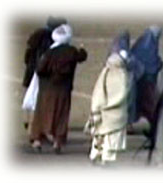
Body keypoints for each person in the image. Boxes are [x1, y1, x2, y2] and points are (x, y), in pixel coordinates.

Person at [29, 24, 88, 153]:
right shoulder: (71, 51)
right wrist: (82, 49)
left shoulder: (49, 53)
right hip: (64, 89)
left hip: (47, 89)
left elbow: (40, 69)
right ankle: (58, 141)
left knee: (41, 114)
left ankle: (37, 139)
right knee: (61, 115)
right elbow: (82, 56)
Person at [84, 48, 130, 165]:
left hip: (102, 112)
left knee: (100, 136)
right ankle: (107, 158)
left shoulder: (105, 73)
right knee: (112, 138)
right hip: (117, 114)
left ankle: (96, 155)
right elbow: (124, 94)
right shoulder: (123, 75)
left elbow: (98, 93)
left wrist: (97, 108)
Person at [22, 16, 67, 130]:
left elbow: (28, 55)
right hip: (42, 73)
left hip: (31, 69)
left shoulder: (37, 36)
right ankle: (35, 125)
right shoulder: (53, 40)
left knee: (29, 97)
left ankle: (27, 121)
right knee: (39, 99)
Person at [131, 25, 163, 124]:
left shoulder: (141, 44)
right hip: (147, 80)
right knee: (148, 101)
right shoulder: (149, 46)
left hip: (139, 78)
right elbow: (152, 63)